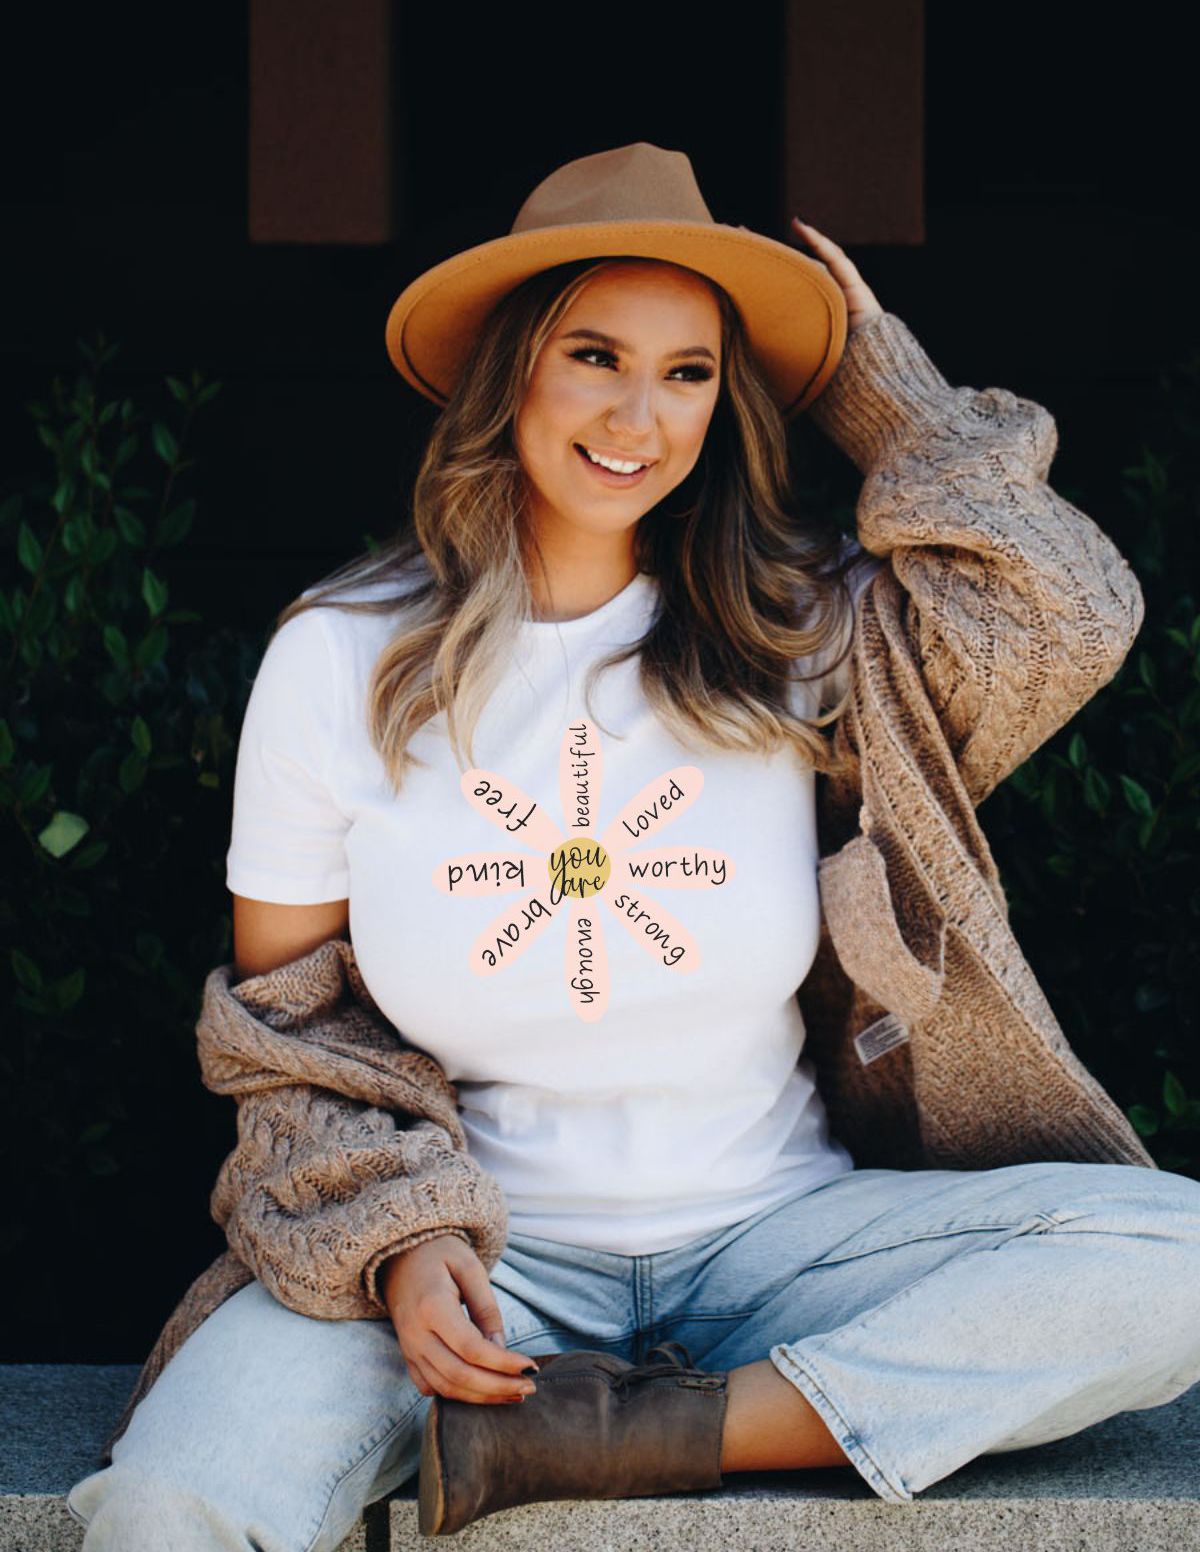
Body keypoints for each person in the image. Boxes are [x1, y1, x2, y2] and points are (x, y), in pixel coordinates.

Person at [66, 143, 1200, 1546]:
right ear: (508, 372)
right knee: (171, 1497)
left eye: (690, 371)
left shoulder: (798, 637)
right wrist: (402, 1245)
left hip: (777, 1243)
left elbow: (1069, 615)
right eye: (595, 354)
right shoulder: (343, 656)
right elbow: (289, 1031)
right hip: (479, 1256)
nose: (638, 415)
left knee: (1180, 1265)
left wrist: (866, 383)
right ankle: (626, 1397)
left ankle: (636, 1431)